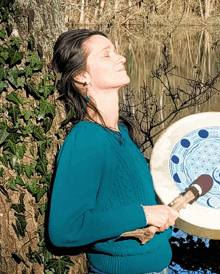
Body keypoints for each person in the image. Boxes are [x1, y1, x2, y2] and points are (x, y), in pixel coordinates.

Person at [48, 29, 179, 274]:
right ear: (82, 75)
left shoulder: (121, 133)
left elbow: (134, 203)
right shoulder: (85, 138)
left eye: (116, 52)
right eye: (106, 55)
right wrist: (142, 214)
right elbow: (65, 230)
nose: (121, 58)